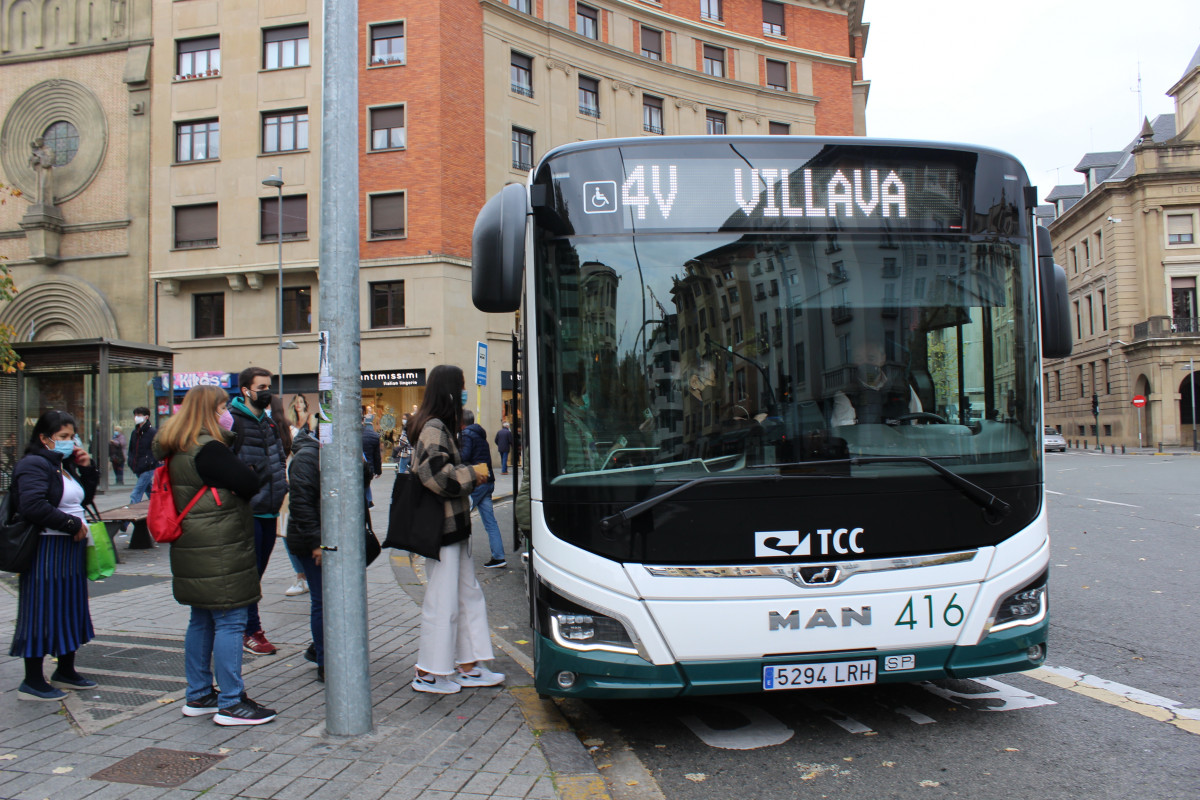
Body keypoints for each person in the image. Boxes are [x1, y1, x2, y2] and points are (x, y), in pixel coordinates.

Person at [153, 386, 276, 726]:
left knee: (202, 618)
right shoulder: (208, 449)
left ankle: (199, 695)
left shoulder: (178, 447)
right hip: (219, 545)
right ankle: (231, 702)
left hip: (193, 543)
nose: (228, 413)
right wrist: (245, 471)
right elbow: (250, 483)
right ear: (208, 411)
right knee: (231, 620)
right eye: (222, 406)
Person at [409, 365, 504, 694]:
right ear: (449, 391)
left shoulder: (438, 425)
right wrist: (470, 475)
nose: (463, 393)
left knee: (466, 596)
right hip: (444, 528)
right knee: (444, 599)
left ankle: (469, 665)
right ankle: (429, 672)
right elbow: (436, 476)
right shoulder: (434, 427)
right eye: (461, 387)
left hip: (453, 527)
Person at [10, 411, 100, 701]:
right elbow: (32, 506)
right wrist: (72, 524)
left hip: (69, 549)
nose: (69, 442)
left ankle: (66, 670)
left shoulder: (60, 465)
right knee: (42, 610)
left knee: (69, 608)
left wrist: (86, 469)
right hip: (46, 549)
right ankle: (33, 680)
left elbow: (81, 499)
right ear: (44, 438)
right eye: (62, 437)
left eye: (71, 436)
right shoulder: (34, 464)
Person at [228, 367, 288, 656]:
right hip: (247, 511)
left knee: (257, 574)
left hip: (269, 510)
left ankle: (245, 625)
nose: (267, 391)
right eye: (261, 386)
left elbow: (277, 459)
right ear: (245, 390)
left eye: (269, 386)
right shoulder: (233, 421)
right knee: (249, 575)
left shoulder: (268, 422)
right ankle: (250, 629)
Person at [284, 423, 326, 682]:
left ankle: (319, 649)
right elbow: (300, 504)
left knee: (331, 600)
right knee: (323, 601)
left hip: (328, 538)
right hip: (312, 541)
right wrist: (316, 543)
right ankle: (324, 659)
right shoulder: (306, 458)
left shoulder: (336, 454)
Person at [830, 342, 923, 426]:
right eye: (859, 359)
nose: (865, 364)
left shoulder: (902, 388)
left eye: (871, 358)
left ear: (883, 358)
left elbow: (917, 422)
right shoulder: (845, 393)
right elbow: (846, 431)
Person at [270, 396, 307, 598]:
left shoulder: (285, 432)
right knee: (290, 534)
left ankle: (302, 577)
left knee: (288, 535)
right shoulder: (291, 431)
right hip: (291, 488)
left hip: (285, 490)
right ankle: (303, 576)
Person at [460, 409, 505, 568]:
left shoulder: (466, 435)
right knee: (489, 520)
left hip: (476, 479)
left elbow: (464, 456)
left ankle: (460, 557)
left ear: (462, 422)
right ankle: (499, 556)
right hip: (486, 478)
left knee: (460, 517)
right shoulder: (480, 435)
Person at [127, 407, 158, 505]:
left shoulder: (152, 432)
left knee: (137, 492)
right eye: (135, 415)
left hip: (148, 467)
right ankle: (158, 506)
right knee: (149, 490)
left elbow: (156, 448)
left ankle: (128, 515)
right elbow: (131, 449)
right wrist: (131, 461)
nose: (136, 417)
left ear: (146, 417)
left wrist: (151, 461)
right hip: (138, 466)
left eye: (139, 415)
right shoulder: (135, 433)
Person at [362, 408, 381, 506]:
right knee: (365, 483)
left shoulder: (346, 435)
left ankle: (368, 501)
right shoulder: (373, 436)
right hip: (368, 468)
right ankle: (368, 501)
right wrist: (378, 470)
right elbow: (376, 455)